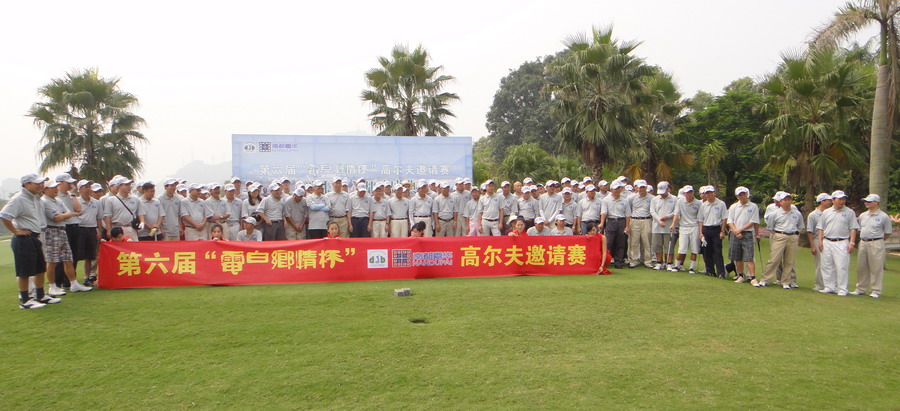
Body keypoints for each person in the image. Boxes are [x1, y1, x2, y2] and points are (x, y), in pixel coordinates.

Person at [2, 175, 61, 308]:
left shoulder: (35, 198)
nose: (41, 185)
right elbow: (4, 215)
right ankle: (25, 300)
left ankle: (40, 295)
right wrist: (15, 231)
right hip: (23, 239)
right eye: (37, 183)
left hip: (35, 237)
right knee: (25, 271)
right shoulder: (19, 198)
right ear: (26, 184)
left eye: (41, 183)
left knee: (40, 269)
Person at [754, 192, 804, 288]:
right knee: (774, 259)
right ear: (780, 202)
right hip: (779, 235)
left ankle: (785, 282)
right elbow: (770, 227)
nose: (787, 202)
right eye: (785, 200)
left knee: (789, 261)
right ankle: (765, 279)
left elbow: (800, 226)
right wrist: (778, 235)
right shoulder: (775, 214)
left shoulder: (797, 213)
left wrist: (795, 235)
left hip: (792, 236)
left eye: (789, 199)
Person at [816, 190, 859, 296]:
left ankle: (842, 288)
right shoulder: (826, 212)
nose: (842, 201)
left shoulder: (849, 212)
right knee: (826, 265)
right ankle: (829, 286)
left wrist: (852, 243)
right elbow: (821, 228)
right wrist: (820, 241)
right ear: (833, 200)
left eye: (843, 199)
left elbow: (853, 228)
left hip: (842, 241)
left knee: (841, 266)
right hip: (827, 241)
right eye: (839, 199)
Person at [851, 194, 892, 298]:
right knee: (861, 267)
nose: (867, 203)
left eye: (869, 201)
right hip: (863, 242)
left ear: (876, 202)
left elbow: (887, 233)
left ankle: (876, 290)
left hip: (876, 242)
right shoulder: (863, 215)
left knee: (876, 267)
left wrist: (878, 241)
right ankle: (860, 289)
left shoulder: (883, 216)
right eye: (866, 201)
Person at [727, 186, 760, 283]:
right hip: (735, 233)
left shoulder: (753, 206)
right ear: (737, 196)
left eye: (744, 194)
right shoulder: (733, 207)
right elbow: (730, 221)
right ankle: (740, 275)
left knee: (749, 257)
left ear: (747, 194)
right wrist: (736, 231)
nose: (742, 196)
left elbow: (753, 221)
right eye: (740, 195)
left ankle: (753, 278)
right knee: (737, 256)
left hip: (747, 233)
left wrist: (740, 230)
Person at [74, 180, 102, 287]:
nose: (88, 188)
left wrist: (99, 231)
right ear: (80, 189)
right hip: (79, 229)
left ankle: (87, 277)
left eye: (89, 186)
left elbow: (99, 218)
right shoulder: (76, 201)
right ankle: (72, 279)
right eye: (85, 186)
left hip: (91, 229)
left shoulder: (96, 202)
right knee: (75, 255)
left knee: (89, 256)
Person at [697, 185, 728, 278]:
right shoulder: (703, 205)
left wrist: (722, 231)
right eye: (707, 193)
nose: (709, 194)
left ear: (714, 192)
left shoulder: (721, 204)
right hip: (706, 229)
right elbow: (701, 220)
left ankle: (721, 272)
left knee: (717, 251)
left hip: (716, 229)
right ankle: (710, 271)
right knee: (707, 251)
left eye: (711, 192)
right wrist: (700, 232)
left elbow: (724, 218)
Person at [670, 185, 701, 273]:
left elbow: (700, 217)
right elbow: (677, 214)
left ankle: (691, 267)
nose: (689, 194)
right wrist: (673, 224)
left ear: (693, 192)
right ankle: (677, 265)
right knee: (682, 248)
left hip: (694, 226)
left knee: (694, 248)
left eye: (690, 192)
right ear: (684, 194)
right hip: (683, 227)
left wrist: (700, 231)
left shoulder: (698, 203)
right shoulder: (680, 201)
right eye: (687, 193)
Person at [600, 181, 631, 269]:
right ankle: (607, 260)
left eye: (618, 188)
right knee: (609, 242)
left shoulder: (624, 200)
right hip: (611, 221)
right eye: (615, 189)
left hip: (621, 221)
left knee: (620, 243)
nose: (617, 190)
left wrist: (627, 226)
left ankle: (618, 261)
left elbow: (627, 214)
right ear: (611, 190)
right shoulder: (606, 199)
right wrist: (602, 223)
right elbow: (604, 212)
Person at [806, 193, 833, 291]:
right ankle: (819, 285)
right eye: (828, 200)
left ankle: (830, 285)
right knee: (820, 264)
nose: (830, 202)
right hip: (817, 240)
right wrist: (812, 245)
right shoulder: (813, 215)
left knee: (830, 264)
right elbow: (810, 231)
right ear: (822, 201)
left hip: (829, 240)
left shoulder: (831, 213)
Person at [103, 176, 142, 241]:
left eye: (129, 185)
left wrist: (142, 223)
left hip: (131, 228)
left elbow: (140, 214)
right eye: (126, 185)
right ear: (119, 186)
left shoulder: (136, 199)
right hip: (117, 229)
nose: (129, 186)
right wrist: (109, 230)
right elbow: (108, 216)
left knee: (133, 246)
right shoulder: (110, 200)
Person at [651, 182, 677, 270]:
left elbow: (676, 211)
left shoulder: (674, 198)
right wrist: (659, 220)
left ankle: (669, 263)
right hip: (657, 226)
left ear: (667, 189)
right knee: (657, 245)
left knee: (669, 246)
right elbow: (652, 211)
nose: (662, 194)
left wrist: (667, 217)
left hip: (669, 226)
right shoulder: (655, 199)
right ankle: (659, 262)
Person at [627, 180, 653, 268]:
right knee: (634, 241)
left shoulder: (651, 198)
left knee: (647, 241)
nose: (641, 189)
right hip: (634, 220)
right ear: (637, 188)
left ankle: (647, 260)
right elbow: (629, 209)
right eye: (640, 187)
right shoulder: (631, 197)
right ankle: (633, 260)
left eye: (643, 187)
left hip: (647, 220)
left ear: (646, 187)